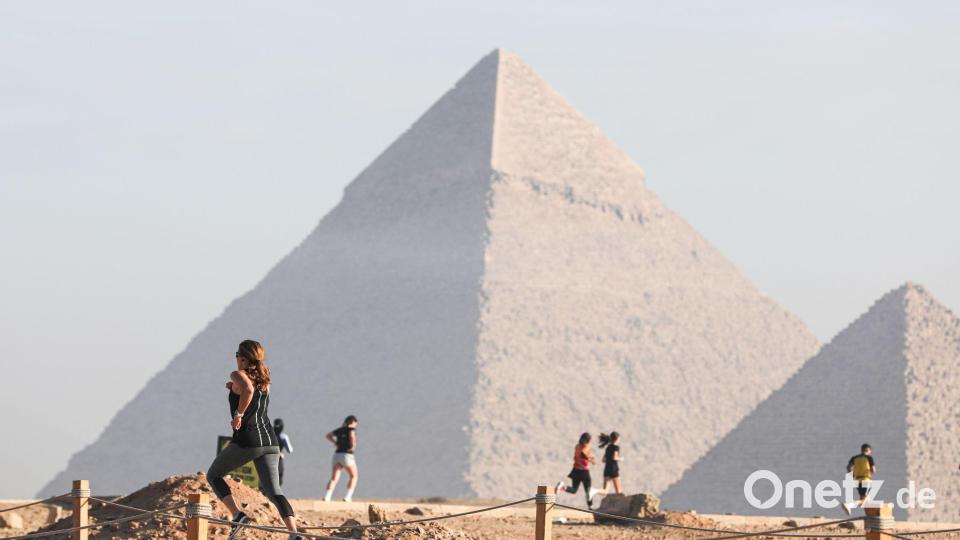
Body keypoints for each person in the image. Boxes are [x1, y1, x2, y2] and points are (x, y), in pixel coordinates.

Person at [206, 340, 302, 540]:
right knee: (274, 491)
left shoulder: (238, 375)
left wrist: (238, 414)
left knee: (214, 476)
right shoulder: (265, 378)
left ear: (242, 358)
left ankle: (237, 514)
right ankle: (294, 534)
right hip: (270, 441)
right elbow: (251, 390)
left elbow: (248, 390)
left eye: (236, 355)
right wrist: (233, 388)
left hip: (248, 440)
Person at [556, 433, 604, 508]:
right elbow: (583, 454)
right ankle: (590, 507)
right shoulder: (586, 446)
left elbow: (577, 456)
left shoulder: (577, 446)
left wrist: (590, 458)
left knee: (574, 490)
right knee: (588, 490)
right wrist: (590, 459)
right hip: (584, 472)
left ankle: (563, 487)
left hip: (576, 470)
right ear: (588, 440)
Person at [323, 415, 359, 502]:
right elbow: (352, 438)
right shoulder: (351, 429)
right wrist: (353, 446)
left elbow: (328, 435)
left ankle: (327, 496)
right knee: (353, 476)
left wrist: (335, 442)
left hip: (337, 454)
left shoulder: (340, 430)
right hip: (347, 455)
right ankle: (348, 496)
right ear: (352, 422)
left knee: (334, 478)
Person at [843, 443, 877, 515]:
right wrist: (870, 470)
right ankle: (849, 505)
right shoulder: (869, 457)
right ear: (869, 450)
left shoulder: (855, 458)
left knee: (866, 499)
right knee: (864, 499)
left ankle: (869, 516)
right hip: (866, 480)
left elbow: (848, 467)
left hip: (857, 480)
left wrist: (853, 474)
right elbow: (873, 470)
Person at [273, 418, 293, 486]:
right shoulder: (283, 437)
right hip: (278, 459)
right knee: (279, 478)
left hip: (267, 457)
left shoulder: (269, 434)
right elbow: (290, 450)